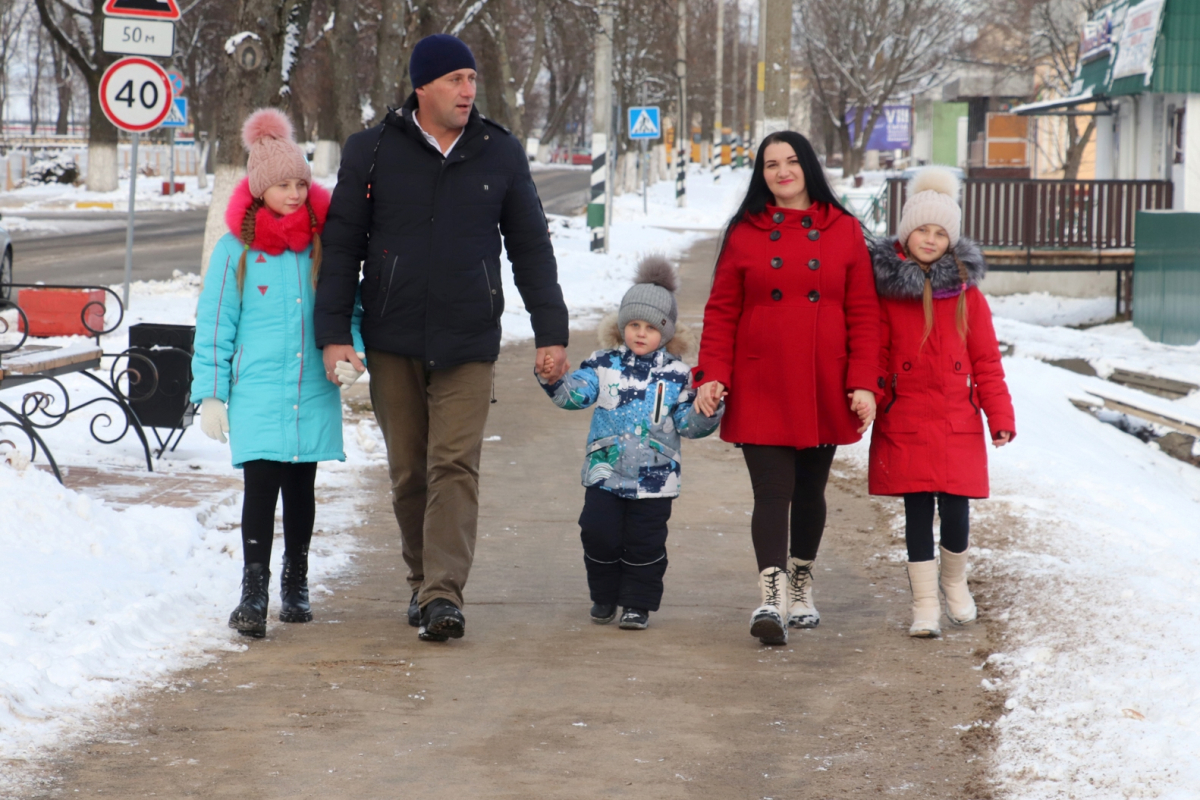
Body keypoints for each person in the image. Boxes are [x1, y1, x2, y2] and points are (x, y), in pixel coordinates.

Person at [314, 33, 569, 643]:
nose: (467, 90)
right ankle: (420, 578)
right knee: (409, 471)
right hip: (392, 335)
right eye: (455, 79)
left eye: (472, 79)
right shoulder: (371, 151)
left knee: (454, 464)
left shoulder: (499, 152)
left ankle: (442, 594)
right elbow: (343, 246)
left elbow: (530, 246)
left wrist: (550, 331)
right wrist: (332, 335)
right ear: (422, 86)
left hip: (468, 338)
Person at [692, 131, 881, 646]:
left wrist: (864, 381)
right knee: (771, 491)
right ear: (761, 174)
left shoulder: (842, 230)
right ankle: (771, 596)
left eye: (791, 161)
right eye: (771, 164)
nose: (781, 172)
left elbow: (864, 313)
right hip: (762, 376)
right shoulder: (746, 231)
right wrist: (712, 373)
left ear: (808, 167)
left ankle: (801, 581)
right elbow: (722, 309)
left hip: (823, 377)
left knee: (809, 491)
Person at [192, 108, 364, 639]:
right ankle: (253, 590)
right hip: (257, 392)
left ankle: (296, 582)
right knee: (260, 492)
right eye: (282, 185)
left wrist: (350, 354)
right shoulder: (235, 252)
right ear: (259, 190)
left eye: (300, 183)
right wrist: (212, 395)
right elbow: (215, 325)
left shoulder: (321, 247)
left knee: (302, 491)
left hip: (313, 387)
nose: (293, 193)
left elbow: (348, 311)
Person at [866, 166, 1015, 638]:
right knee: (915, 510)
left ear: (950, 240)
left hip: (957, 417)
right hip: (906, 415)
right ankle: (925, 603)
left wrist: (1000, 416)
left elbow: (987, 360)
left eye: (939, 233)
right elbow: (876, 352)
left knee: (955, 508)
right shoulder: (887, 293)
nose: (929, 240)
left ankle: (955, 584)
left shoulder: (968, 294)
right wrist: (875, 397)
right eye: (921, 230)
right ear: (906, 233)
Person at [537, 256, 723, 630]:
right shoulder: (603, 364)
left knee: (645, 544)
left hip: (654, 479)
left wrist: (707, 409)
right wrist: (555, 379)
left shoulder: (677, 375)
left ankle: (637, 604)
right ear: (622, 326)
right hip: (604, 471)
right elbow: (576, 395)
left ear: (667, 332)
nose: (641, 333)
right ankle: (604, 596)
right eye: (634, 324)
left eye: (651, 327)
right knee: (597, 534)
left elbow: (688, 425)